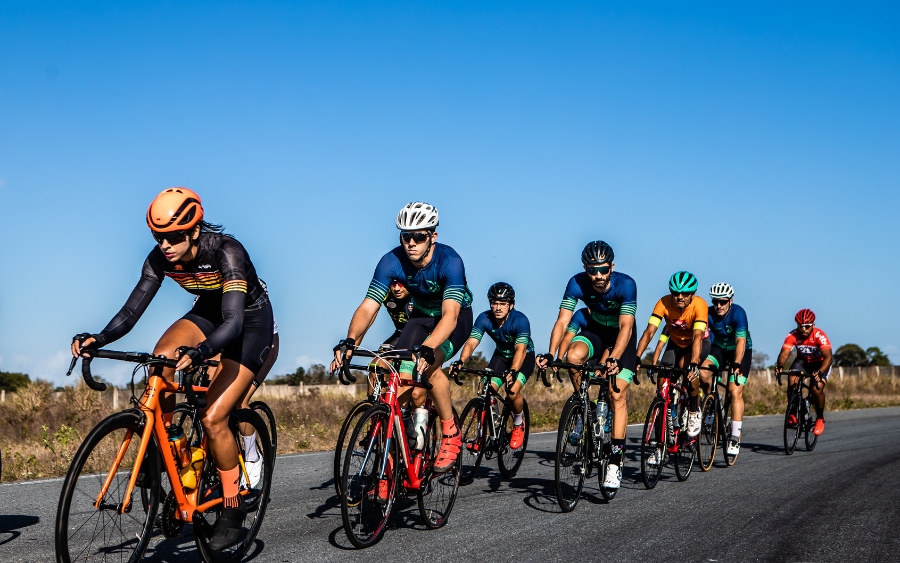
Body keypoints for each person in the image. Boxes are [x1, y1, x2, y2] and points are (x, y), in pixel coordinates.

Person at [71, 187, 275, 550]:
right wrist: (99, 338)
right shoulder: (160, 257)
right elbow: (133, 310)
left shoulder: (227, 251)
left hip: (249, 322)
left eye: (173, 237)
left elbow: (232, 321)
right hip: (209, 312)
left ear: (195, 231)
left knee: (214, 418)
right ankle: (168, 447)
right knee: (159, 359)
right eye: (157, 237)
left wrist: (202, 351)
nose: (165, 245)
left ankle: (232, 508)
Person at [330, 202, 473, 477]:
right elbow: (369, 306)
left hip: (452, 318)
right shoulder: (390, 261)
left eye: (419, 236)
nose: (411, 243)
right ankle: (396, 442)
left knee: (428, 366)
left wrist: (430, 348)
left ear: (433, 236)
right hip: (420, 316)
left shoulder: (450, 261)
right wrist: (350, 341)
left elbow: (450, 315)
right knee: (399, 369)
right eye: (405, 236)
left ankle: (450, 432)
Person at [537, 241, 637, 491]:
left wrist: (615, 357)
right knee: (573, 357)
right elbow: (562, 321)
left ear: (611, 267)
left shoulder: (626, 284)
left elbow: (626, 326)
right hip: (595, 332)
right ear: (585, 268)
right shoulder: (576, 282)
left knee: (616, 393)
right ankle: (585, 405)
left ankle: (615, 460)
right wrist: (551, 353)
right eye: (593, 270)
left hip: (621, 337)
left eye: (603, 269)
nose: (598, 276)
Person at [450, 282, 535, 450]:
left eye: (502, 304)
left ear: (511, 305)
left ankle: (519, 423)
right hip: (501, 356)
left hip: (523, 357)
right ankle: (487, 433)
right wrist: (461, 361)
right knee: (487, 390)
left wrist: (513, 371)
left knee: (511, 392)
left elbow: (520, 349)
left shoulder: (520, 320)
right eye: (494, 303)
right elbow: (472, 343)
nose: (498, 307)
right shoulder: (484, 318)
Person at [636, 271, 710, 443]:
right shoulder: (663, 302)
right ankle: (666, 425)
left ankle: (693, 410)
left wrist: (694, 363)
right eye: (675, 293)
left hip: (697, 343)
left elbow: (698, 336)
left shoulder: (700, 305)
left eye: (685, 294)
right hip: (675, 343)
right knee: (663, 380)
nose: (680, 297)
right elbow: (650, 331)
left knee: (687, 369)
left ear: (693, 294)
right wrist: (637, 356)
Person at [700, 282, 752, 456]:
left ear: (730, 300)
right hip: (718, 348)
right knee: (703, 371)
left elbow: (740, 341)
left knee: (735, 390)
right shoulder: (708, 313)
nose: (718, 306)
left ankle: (735, 437)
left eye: (723, 302)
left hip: (739, 350)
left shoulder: (738, 313)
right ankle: (713, 401)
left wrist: (737, 363)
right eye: (715, 302)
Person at [775, 309, 832, 436]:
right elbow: (784, 354)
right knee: (792, 380)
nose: (804, 329)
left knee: (816, 388)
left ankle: (820, 417)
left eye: (807, 326)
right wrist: (779, 366)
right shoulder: (792, 335)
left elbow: (828, 357)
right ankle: (793, 414)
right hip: (803, 362)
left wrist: (820, 371)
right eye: (801, 326)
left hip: (820, 363)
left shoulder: (819, 336)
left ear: (813, 325)